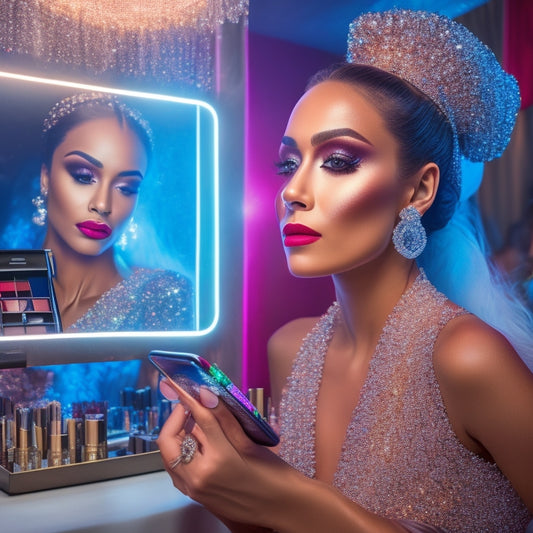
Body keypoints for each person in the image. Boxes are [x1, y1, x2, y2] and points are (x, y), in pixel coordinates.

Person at [156, 9, 533, 532]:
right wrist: (236, 492)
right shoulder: (290, 348)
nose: (292, 191)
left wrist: (283, 494)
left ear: (418, 190)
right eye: (289, 164)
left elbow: (303, 513)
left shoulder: (468, 358)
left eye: (338, 161)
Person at [37, 91, 194, 332]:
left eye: (126, 188)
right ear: (46, 178)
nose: (102, 205)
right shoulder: (9, 291)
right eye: (83, 177)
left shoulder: (159, 297)